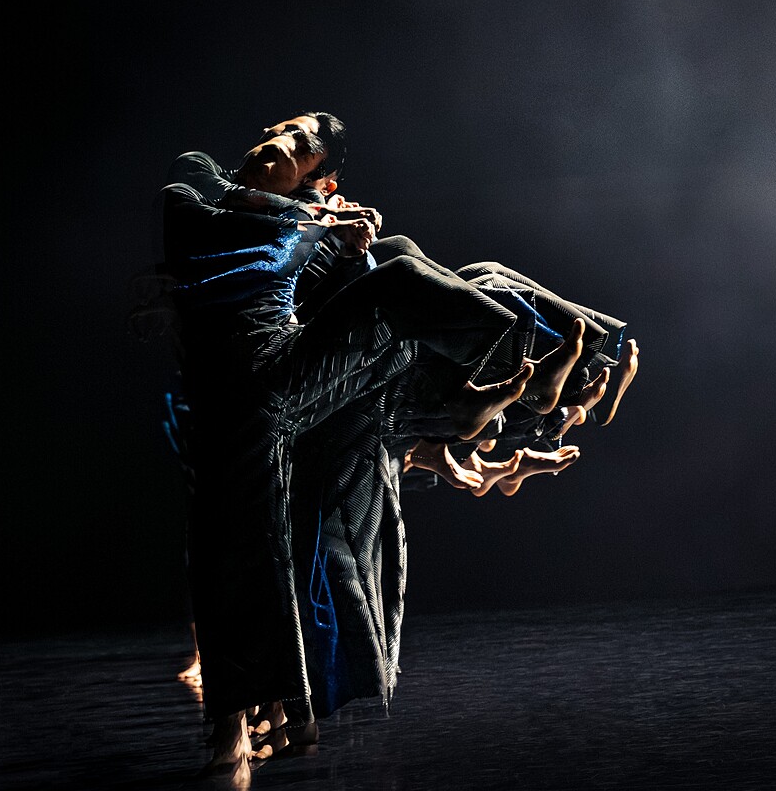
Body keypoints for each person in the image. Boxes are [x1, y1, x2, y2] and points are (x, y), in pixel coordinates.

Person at [159, 113, 559, 778]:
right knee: (242, 547)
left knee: (396, 274)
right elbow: (192, 200)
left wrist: (345, 244)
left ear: (311, 175)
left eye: (300, 146)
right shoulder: (203, 180)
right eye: (283, 131)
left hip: (281, 371)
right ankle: (243, 726)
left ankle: (501, 379)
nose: (281, 141)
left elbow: (329, 287)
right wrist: (315, 220)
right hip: (225, 390)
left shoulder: (304, 228)